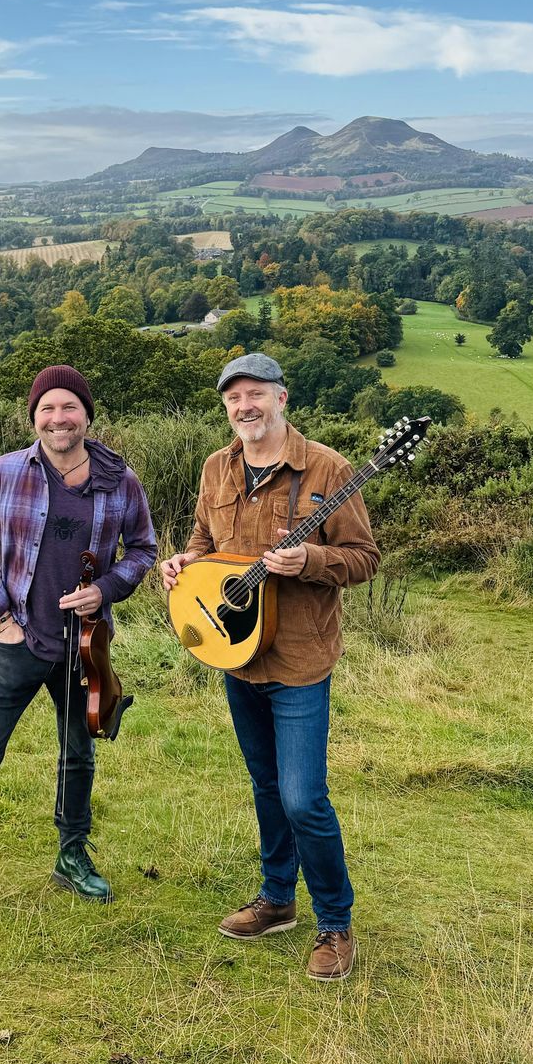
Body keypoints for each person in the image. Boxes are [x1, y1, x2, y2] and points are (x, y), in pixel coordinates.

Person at [0, 364, 157, 939]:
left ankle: (71, 856)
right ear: (34, 417)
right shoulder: (4, 473)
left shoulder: (120, 480)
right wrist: (1, 619)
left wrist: (105, 589)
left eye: (69, 407)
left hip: (84, 648)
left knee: (77, 757)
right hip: (17, 644)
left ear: (87, 415)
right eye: (47, 408)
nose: (58, 418)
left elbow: (143, 549)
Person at [160, 353, 379, 981]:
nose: (244, 407)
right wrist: (184, 565)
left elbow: (364, 558)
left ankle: (335, 923)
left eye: (255, 394)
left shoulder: (328, 470)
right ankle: (278, 899)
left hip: (300, 658)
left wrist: (310, 560)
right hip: (235, 652)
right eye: (234, 398)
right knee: (265, 785)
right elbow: (205, 542)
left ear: (282, 398)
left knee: (302, 797)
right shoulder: (216, 467)